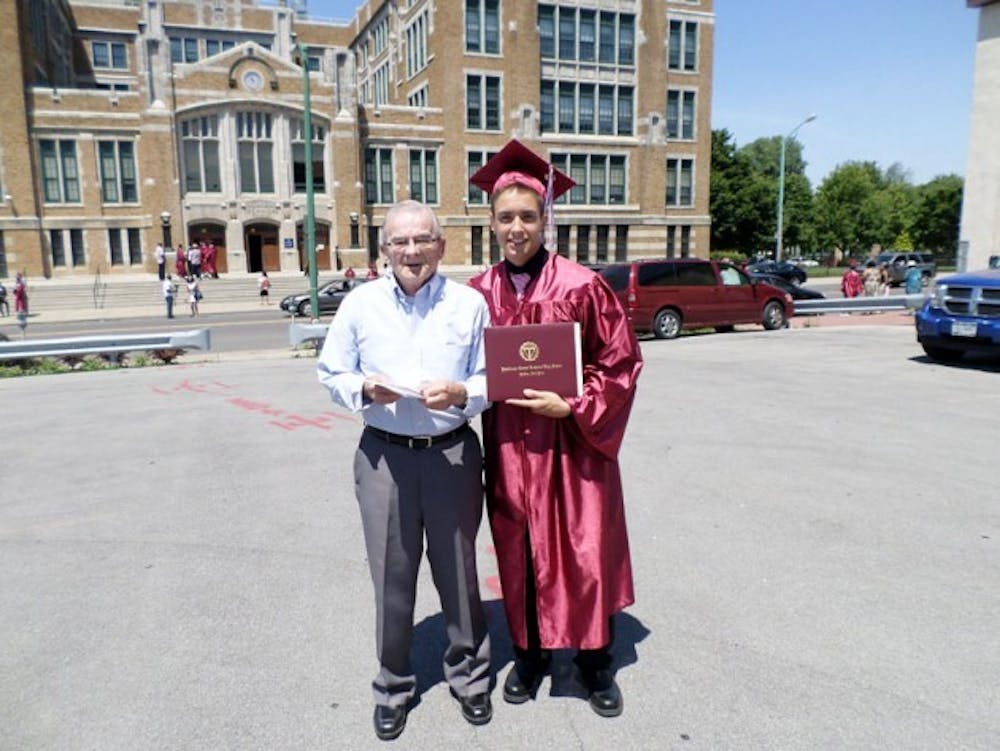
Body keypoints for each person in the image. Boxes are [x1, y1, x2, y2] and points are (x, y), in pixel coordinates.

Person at [467, 140, 643, 718]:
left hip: (572, 449)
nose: (516, 228)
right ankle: (531, 655)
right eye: (505, 217)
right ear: (490, 223)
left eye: (527, 216)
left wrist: (576, 405)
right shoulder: (478, 293)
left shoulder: (580, 285)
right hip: (510, 449)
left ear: (546, 219)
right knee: (517, 550)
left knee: (583, 550)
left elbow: (619, 364)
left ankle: (595, 665)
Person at [316, 200, 493, 741]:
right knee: (392, 580)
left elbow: (494, 375)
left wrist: (466, 392)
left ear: (441, 245)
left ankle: (470, 677)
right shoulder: (361, 305)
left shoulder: (469, 304)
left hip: (451, 454)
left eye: (422, 240)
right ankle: (393, 686)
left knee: (460, 575)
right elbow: (330, 370)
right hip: (384, 456)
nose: (412, 251)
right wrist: (366, 388)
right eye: (400, 242)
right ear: (385, 249)